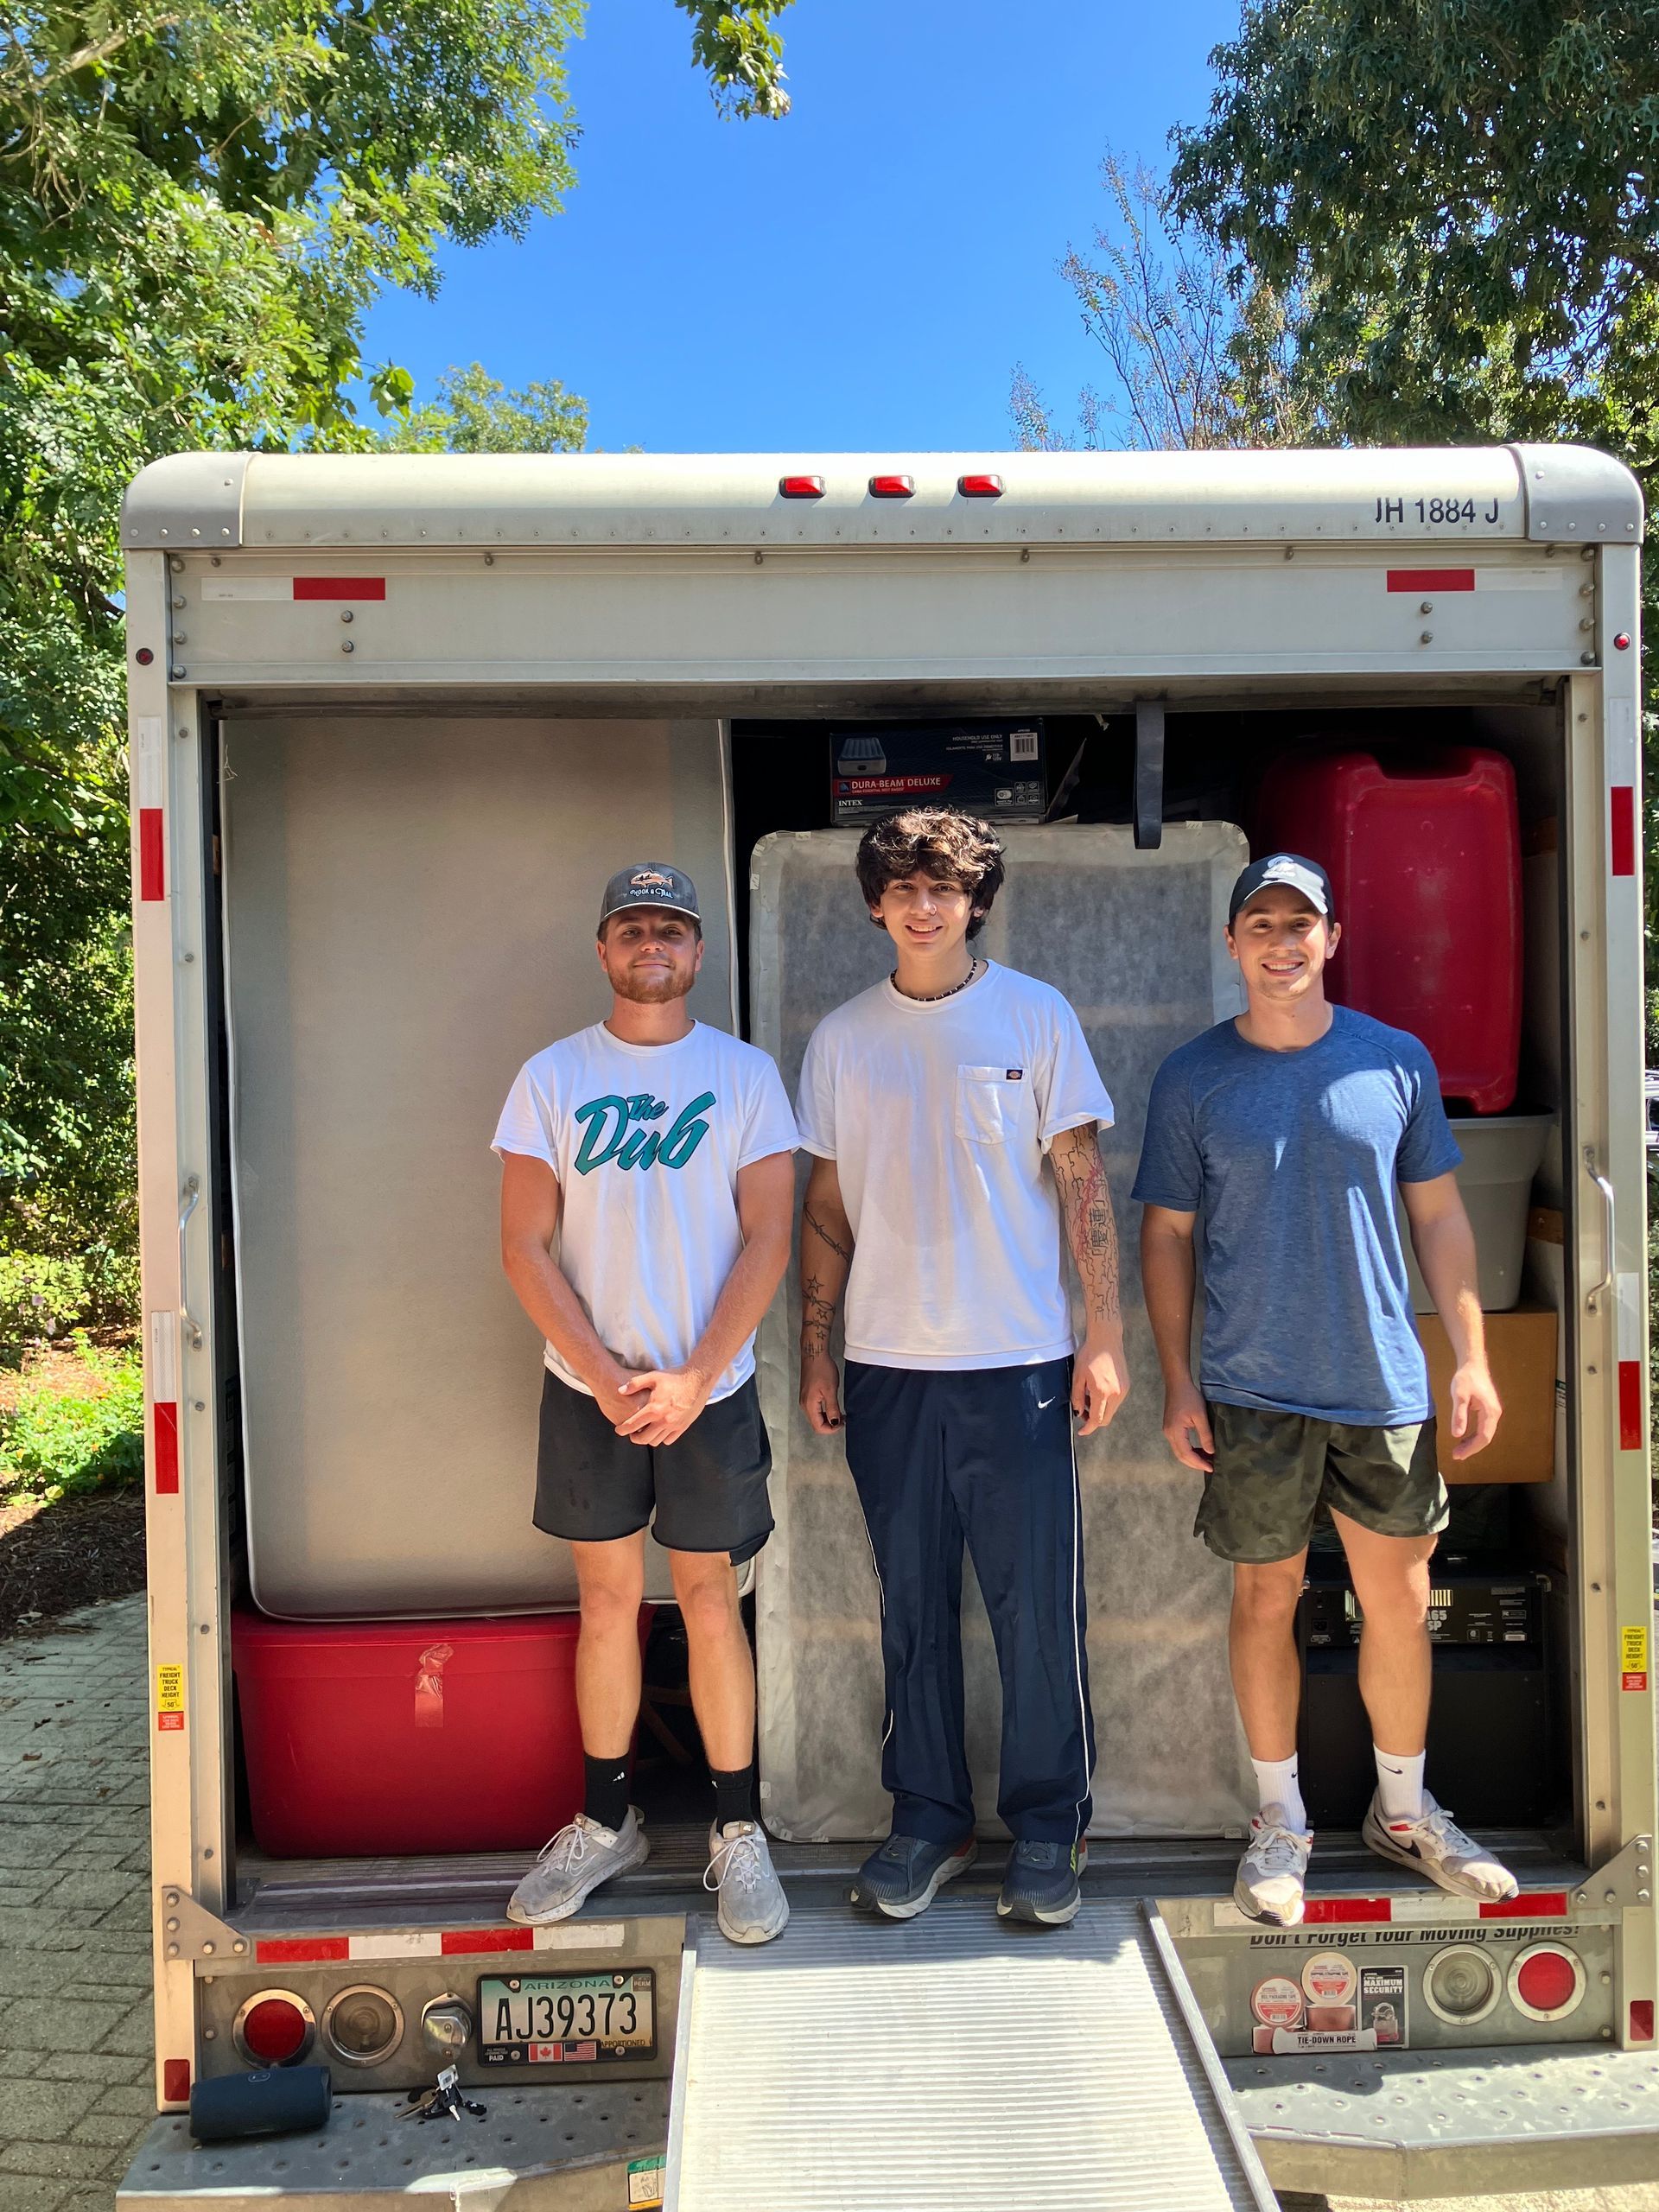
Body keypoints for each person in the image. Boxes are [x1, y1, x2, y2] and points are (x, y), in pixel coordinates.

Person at [1134, 851, 1519, 1930]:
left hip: (1382, 1386)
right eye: (1259, 921)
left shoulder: (1393, 1061)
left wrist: (1472, 1358)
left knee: (1396, 1599)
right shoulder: (1193, 1077)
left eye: (1300, 922)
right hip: (1249, 1387)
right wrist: (1178, 1381)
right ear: (1233, 945)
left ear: (1331, 939)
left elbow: (1441, 1216)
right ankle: (1279, 1823)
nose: (1280, 940)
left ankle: (1404, 1812)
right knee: (1265, 1598)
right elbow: (1164, 1236)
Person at [795, 807, 1128, 1928]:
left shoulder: (1035, 1017)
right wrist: (817, 1347)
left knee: (1035, 1612)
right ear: (877, 905)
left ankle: (1048, 1828)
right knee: (912, 1613)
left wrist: (1107, 1336)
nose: (923, 905)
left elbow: (1083, 1182)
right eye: (902, 887)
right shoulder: (844, 1038)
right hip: (889, 1372)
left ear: (975, 900)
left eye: (944, 886)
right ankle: (927, 1821)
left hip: (1021, 1367)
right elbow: (828, 1207)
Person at [493, 864, 798, 1944]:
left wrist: (694, 1374)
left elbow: (769, 1234)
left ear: (699, 952)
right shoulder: (551, 1077)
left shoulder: (746, 1075)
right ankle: (605, 1817)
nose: (653, 942)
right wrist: (606, 1374)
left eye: (672, 927)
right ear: (604, 947)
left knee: (712, 1599)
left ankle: (738, 1830)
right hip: (590, 1388)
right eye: (634, 926)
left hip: (708, 1387)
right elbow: (524, 1244)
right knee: (608, 1600)